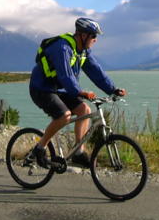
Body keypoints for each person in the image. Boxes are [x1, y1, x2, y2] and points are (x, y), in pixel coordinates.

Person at [28, 17, 127, 168]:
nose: (95, 40)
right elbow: (65, 75)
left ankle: (78, 153)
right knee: (64, 115)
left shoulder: (83, 52)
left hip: (58, 89)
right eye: (93, 36)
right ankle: (40, 148)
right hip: (41, 89)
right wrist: (79, 92)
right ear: (83, 35)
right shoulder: (62, 47)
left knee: (84, 110)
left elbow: (96, 72)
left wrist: (112, 89)